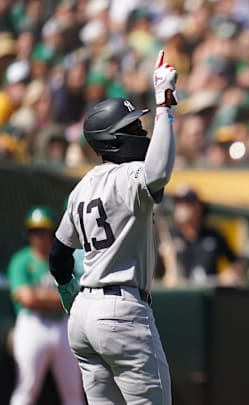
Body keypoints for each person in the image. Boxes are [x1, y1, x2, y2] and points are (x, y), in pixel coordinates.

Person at [47, 50, 177, 404]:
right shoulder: (126, 176)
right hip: (123, 312)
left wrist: (69, 292)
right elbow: (159, 171)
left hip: (85, 316)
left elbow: (58, 255)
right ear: (112, 139)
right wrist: (164, 105)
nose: (141, 130)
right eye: (132, 127)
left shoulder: (82, 186)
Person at [7, 206, 84, 405]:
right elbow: (26, 298)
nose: (39, 236)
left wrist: (40, 296)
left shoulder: (64, 260)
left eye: (43, 231)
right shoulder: (21, 260)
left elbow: (78, 296)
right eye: (34, 231)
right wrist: (59, 297)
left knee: (73, 392)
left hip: (62, 326)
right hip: (33, 325)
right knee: (26, 389)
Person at [163, 186, 248, 286]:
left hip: (209, 293)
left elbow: (237, 261)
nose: (183, 208)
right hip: (179, 294)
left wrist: (230, 272)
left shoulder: (213, 235)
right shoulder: (167, 236)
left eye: (188, 203)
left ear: (199, 207)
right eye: (179, 203)